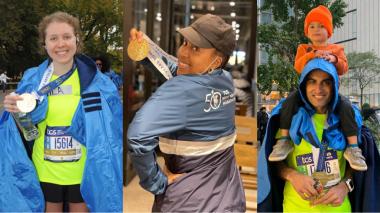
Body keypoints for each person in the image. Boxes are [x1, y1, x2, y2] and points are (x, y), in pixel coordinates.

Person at [0, 11, 122, 212]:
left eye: (66, 36)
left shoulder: (98, 82)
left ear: (77, 40)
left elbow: (112, 131)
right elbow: (22, 131)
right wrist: (14, 111)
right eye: (53, 38)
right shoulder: (33, 79)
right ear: (45, 44)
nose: (61, 44)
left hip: (84, 171)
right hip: (45, 170)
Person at [127, 14, 246, 212]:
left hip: (188, 202)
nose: (183, 52)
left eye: (195, 49)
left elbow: (137, 137)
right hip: (228, 196)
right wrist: (147, 51)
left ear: (216, 61)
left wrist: (156, 182)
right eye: (185, 43)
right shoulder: (224, 80)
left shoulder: (182, 90)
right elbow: (175, 67)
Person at [257, 58, 380, 212]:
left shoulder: (347, 120)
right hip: (295, 208)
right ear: (303, 85)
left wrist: (345, 186)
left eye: (326, 82)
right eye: (312, 81)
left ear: (334, 85)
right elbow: (272, 163)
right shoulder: (288, 119)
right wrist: (292, 176)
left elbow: (357, 165)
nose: (318, 89)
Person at [269, 5, 367, 172]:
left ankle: (353, 147)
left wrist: (333, 59)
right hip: (306, 95)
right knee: (289, 101)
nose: (316, 30)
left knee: (346, 106)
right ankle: (284, 140)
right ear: (307, 31)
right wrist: (312, 55)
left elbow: (344, 67)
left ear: (329, 31)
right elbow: (299, 65)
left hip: (332, 96)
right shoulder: (303, 49)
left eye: (321, 26)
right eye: (312, 26)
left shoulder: (336, 49)